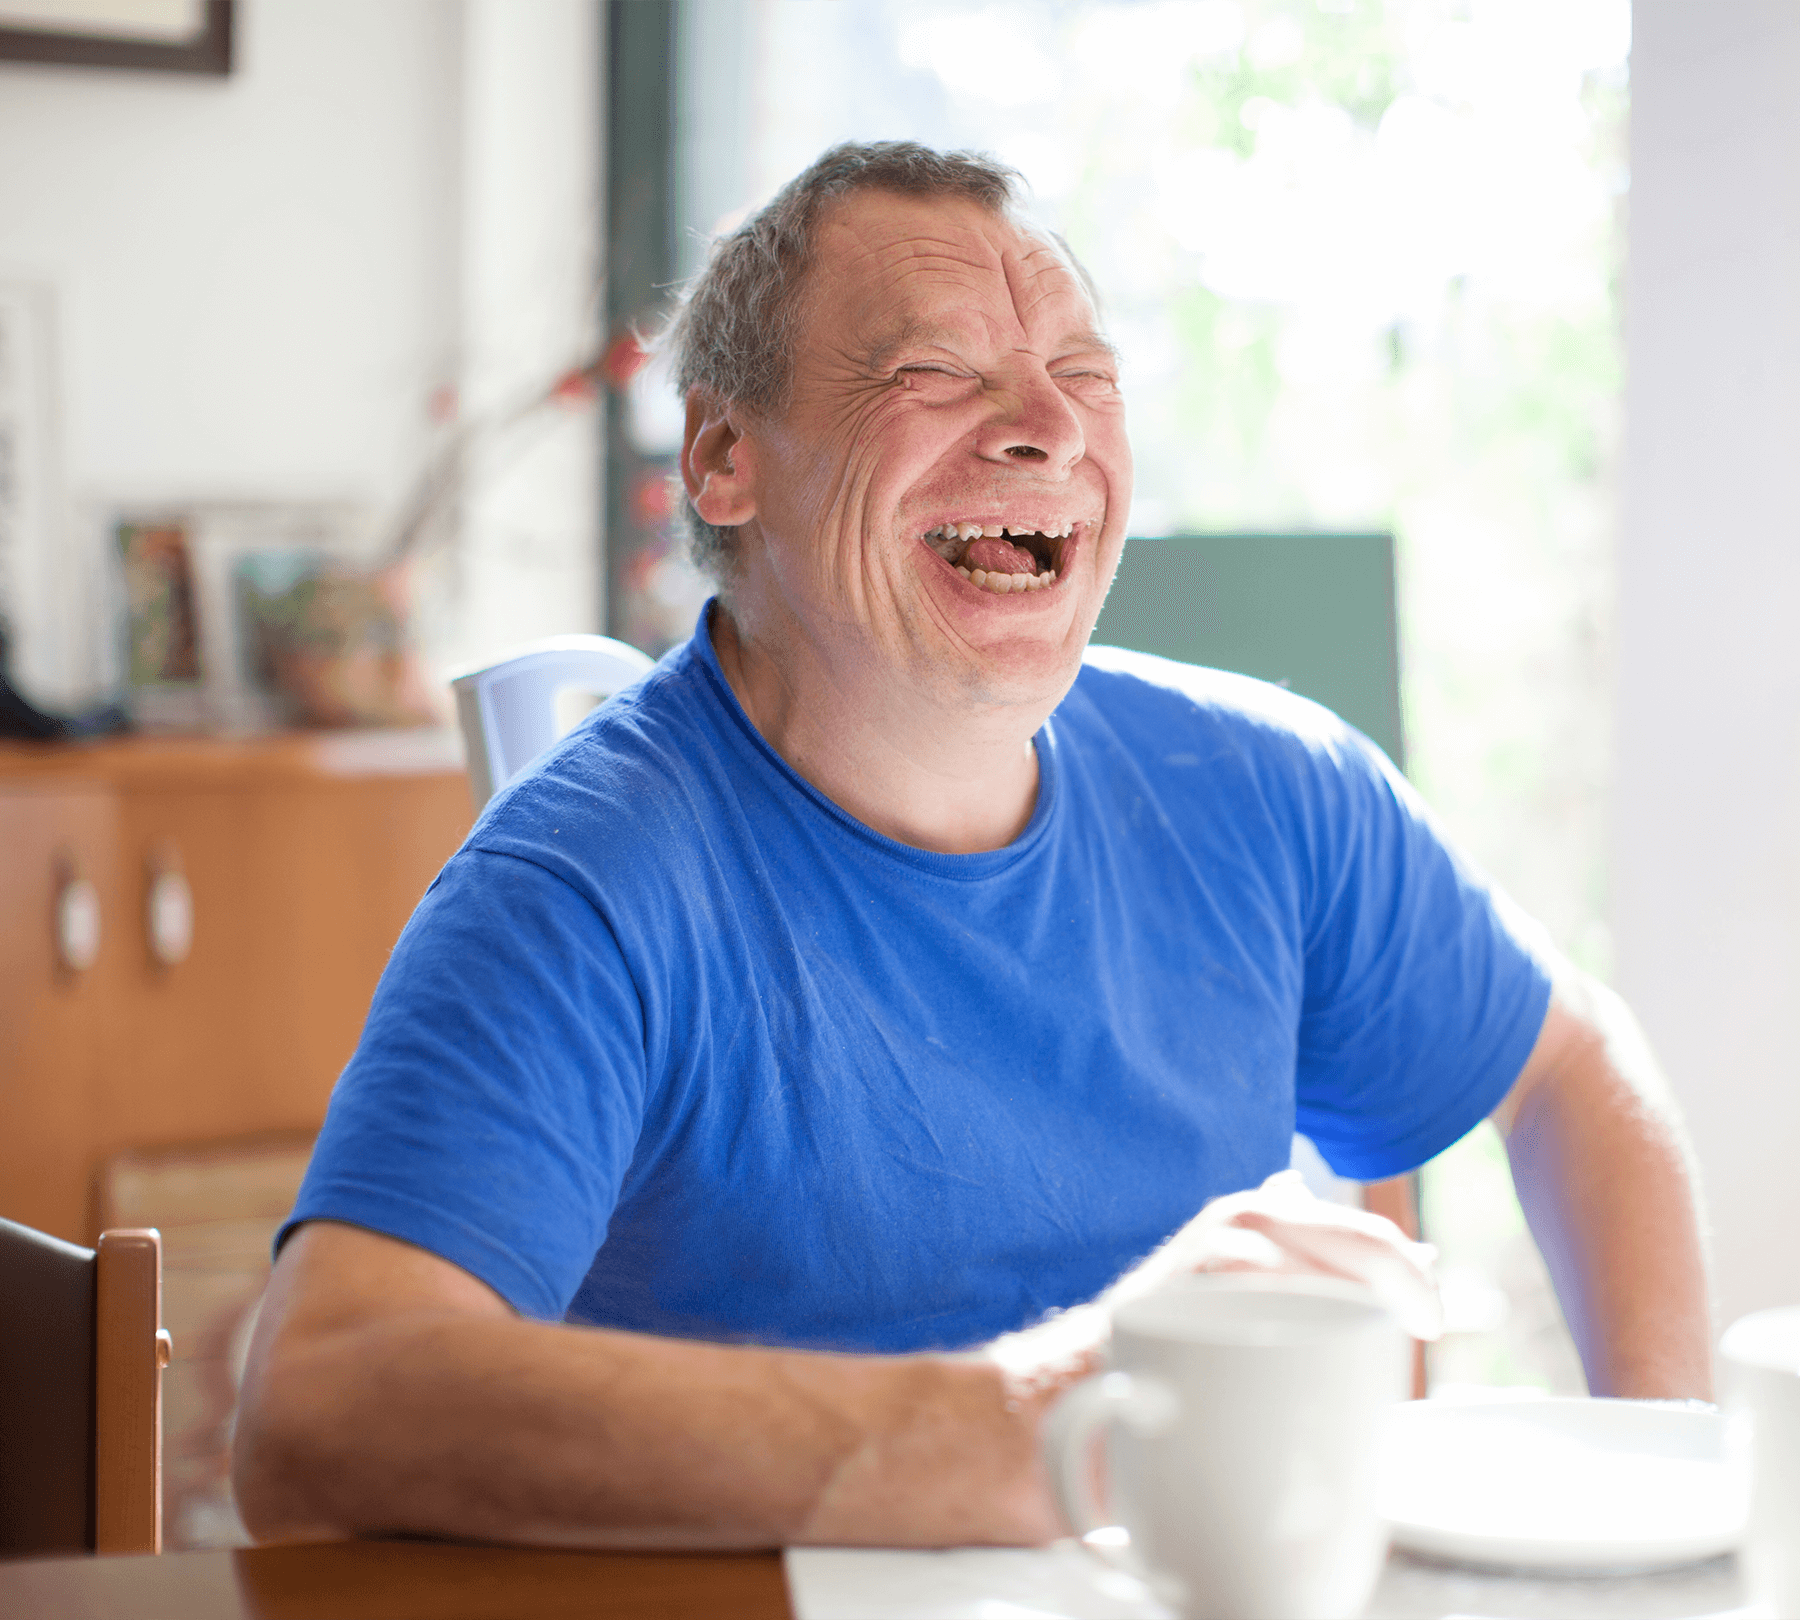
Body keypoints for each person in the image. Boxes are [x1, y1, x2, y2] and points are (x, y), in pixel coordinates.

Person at [232, 142, 1711, 1549]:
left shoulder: (1272, 788)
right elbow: (316, 1412)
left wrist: (1666, 1509)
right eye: (935, 372)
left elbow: (1576, 1066)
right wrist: (1022, 1428)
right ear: (726, 456)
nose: (1048, 427)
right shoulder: (583, 889)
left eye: (1084, 376)